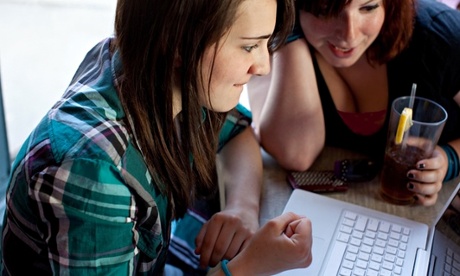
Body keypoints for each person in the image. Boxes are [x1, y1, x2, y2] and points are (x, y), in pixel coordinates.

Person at [0, 0, 314, 274]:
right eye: (249, 46)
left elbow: (236, 133)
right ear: (176, 43)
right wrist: (249, 266)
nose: (262, 66)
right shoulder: (92, 172)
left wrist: (242, 209)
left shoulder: (153, 70)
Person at [248, 0, 460, 206]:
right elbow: (296, 154)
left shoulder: (440, 38)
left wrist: (450, 159)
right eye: (325, 9)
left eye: (368, 7)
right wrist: (290, 33)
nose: (349, 34)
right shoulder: (267, 46)